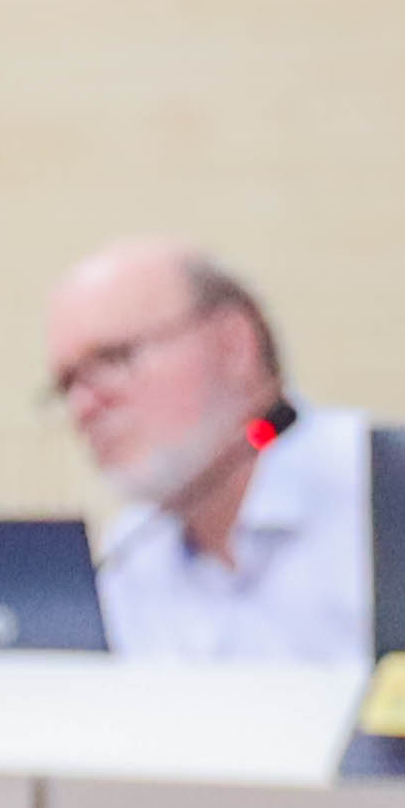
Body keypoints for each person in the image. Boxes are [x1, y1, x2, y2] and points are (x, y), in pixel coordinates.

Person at [46, 238, 372, 665]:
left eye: (114, 359)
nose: (83, 407)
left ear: (233, 346)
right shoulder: (129, 556)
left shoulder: (380, 494)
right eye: (68, 384)